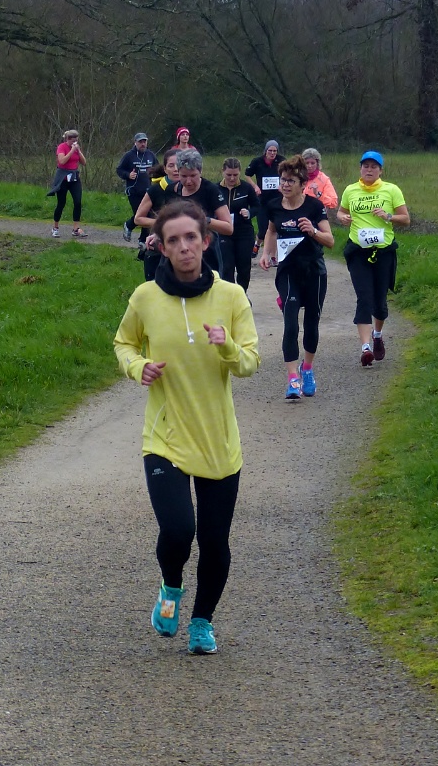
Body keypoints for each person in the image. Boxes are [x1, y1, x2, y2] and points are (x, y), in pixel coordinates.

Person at [114, 200, 260, 655]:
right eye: (173, 240)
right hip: (165, 437)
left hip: (218, 440)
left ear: (206, 241)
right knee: (179, 531)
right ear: (161, 247)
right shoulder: (145, 297)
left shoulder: (231, 297)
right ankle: (170, 588)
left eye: (191, 238)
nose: (183, 247)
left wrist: (227, 345)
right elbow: (123, 343)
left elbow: (250, 363)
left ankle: (202, 622)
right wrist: (137, 366)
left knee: (215, 542)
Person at [259, 155, 334, 399]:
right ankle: (292, 379)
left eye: (291, 181)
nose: (285, 184)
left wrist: (312, 231)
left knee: (311, 323)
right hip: (288, 271)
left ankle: (307, 369)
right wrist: (266, 253)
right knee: (291, 323)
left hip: (314, 271)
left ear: (303, 184)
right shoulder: (274, 206)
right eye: (283, 180)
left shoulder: (314, 206)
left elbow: (330, 240)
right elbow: (271, 230)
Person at [336, 151, 410, 366]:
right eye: (365, 166)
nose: (369, 170)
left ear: (380, 170)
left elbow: (406, 219)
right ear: (360, 169)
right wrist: (342, 218)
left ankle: (377, 335)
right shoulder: (351, 190)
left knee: (379, 301)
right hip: (358, 251)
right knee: (364, 297)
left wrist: (388, 216)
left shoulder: (391, 190)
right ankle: (365, 347)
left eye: (373, 167)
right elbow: (340, 212)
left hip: (383, 252)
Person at [169, 149, 233, 274]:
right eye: (183, 176)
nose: (188, 181)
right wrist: (156, 235)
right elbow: (167, 221)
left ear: (201, 171)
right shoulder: (173, 190)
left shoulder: (211, 190)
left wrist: (204, 220)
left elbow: (228, 227)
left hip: (206, 253)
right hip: (179, 252)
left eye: (193, 176)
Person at [134, 149, 180, 280]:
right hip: (157, 246)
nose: (176, 169)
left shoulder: (190, 188)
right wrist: (164, 223)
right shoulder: (156, 189)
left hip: (182, 248)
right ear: (165, 169)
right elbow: (138, 219)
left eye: (179, 165)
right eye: (171, 165)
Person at [218, 157, 259, 292]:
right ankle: (230, 295)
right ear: (223, 171)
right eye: (229, 174)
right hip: (224, 232)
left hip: (243, 232)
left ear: (240, 172)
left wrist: (249, 212)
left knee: (244, 267)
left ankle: (242, 293)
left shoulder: (246, 188)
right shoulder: (215, 188)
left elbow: (257, 206)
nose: (232, 178)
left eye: (235, 175)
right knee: (227, 267)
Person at [116, 132, 156, 246]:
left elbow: (157, 169)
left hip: (148, 191)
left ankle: (142, 241)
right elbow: (119, 170)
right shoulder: (129, 156)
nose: (143, 144)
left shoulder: (151, 155)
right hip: (133, 191)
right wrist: (128, 175)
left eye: (144, 141)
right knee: (141, 215)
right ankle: (129, 225)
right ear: (135, 143)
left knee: (149, 215)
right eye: (140, 142)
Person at [245, 140, 283, 256]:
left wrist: (282, 185)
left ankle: (272, 255)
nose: (272, 153)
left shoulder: (281, 161)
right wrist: (255, 186)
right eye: (270, 150)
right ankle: (257, 244)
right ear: (266, 151)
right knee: (263, 230)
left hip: (277, 200)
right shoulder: (257, 162)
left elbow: (288, 174)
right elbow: (247, 175)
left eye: (275, 151)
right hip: (262, 200)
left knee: (276, 229)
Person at [47, 129, 87, 238]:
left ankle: (76, 229)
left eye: (76, 141)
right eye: (72, 141)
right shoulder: (62, 147)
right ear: (67, 140)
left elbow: (84, 162)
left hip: (74, 179)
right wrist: (71, 151)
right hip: (63, 179)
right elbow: (62, 161)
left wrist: (78, 151)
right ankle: (55, 227)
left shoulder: (76, 148)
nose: (74, 143)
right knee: (61, 203)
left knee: (78, 202)